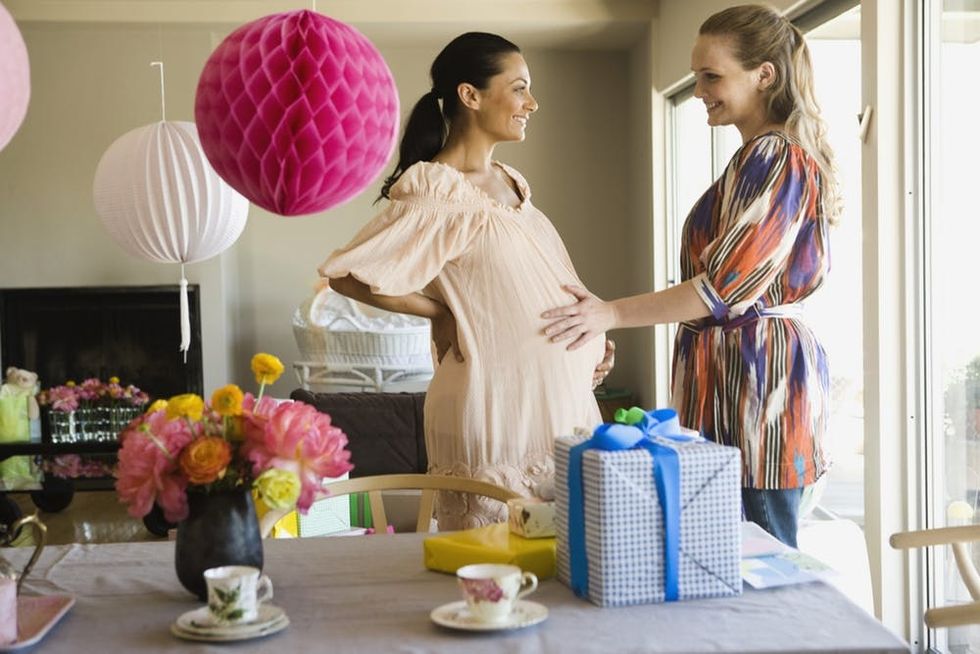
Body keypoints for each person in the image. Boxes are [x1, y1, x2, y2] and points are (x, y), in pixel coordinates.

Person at [541, 4, 840, 548]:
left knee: (761, 561)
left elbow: (724, 288)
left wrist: (608, 314)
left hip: (757, 388)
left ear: (763, 74)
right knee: (731, 558)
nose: (700, 89)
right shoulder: (754, 158)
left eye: (712, 76)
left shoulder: (777, 158)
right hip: (732, 381)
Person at [318, 32, 613, 530]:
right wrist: (443, 312)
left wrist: (592, 334)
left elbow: (538, 279)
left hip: (560, 399)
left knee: (569, 562)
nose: (531, 103)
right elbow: (347, 275)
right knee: (496, 567)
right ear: (470, 95)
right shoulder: (437, 188)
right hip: (496, 405)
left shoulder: (511, 181)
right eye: (519, 88)